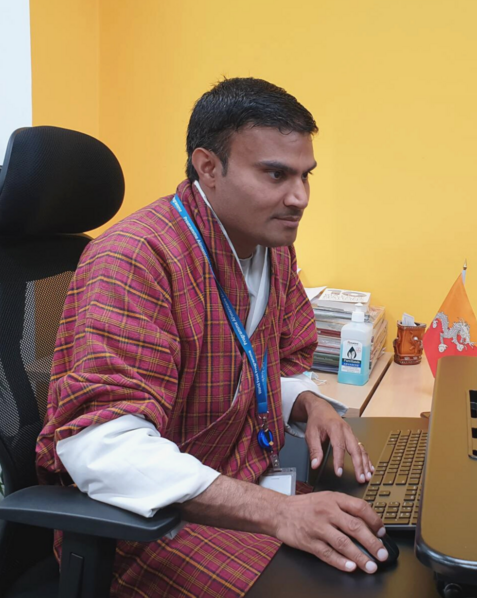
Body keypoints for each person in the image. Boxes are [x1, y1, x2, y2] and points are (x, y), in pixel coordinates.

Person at [36, 78, 387, 597]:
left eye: (305, 176)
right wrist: (279, 512)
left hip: (242, 483)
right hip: (148, 523)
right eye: (275, 174)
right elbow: (105, 449)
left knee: (384, 549)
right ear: (207, 167)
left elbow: (271, 366)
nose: (299, 198)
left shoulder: (272, 247)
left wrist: (311, 402)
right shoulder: (135, 258)